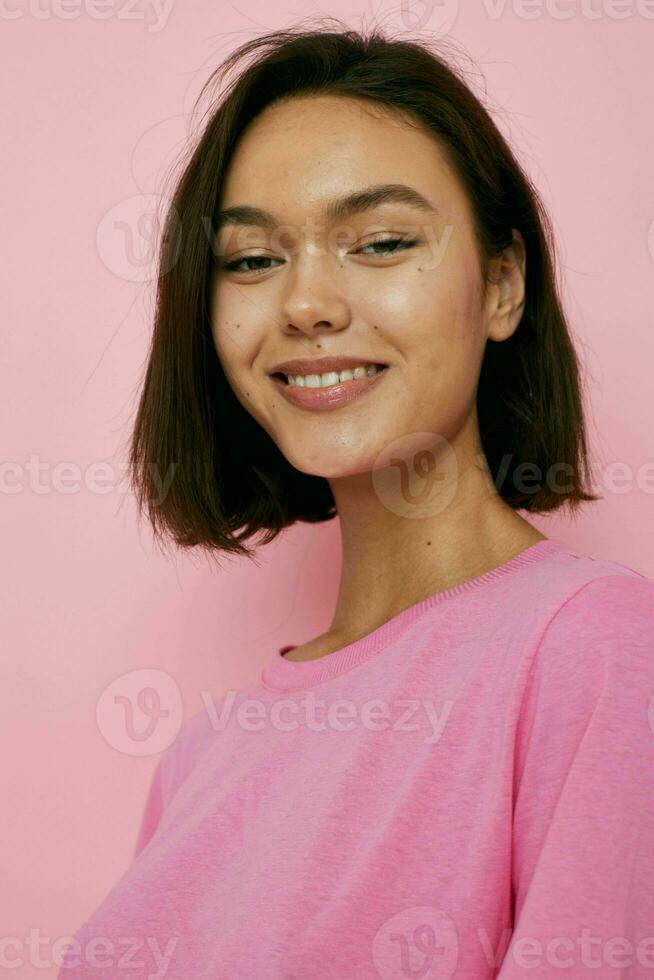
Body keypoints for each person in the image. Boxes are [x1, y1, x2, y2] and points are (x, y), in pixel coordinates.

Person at [59, 21, 654, 979]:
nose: (304, 304)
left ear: (502, 284)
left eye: (379, 242)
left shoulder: (599, 653)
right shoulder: (202, 757)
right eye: (250, 260)